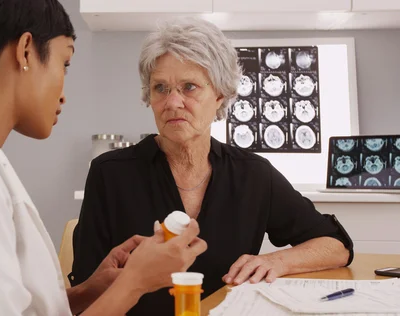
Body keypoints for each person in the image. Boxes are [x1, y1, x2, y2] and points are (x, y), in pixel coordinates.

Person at [0, 1, 208, 315]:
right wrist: (136, 282)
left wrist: (90, 290)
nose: (63, 93)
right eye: (65, 63)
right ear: (26, 51)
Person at [70, 17, 354, 315]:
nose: (173, 102)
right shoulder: (110, 173)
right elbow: (88, 289)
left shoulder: (252, 174)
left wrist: (276, 261)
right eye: (161, 88)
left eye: (189, 87)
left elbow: (336, 244)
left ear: (220, 95)